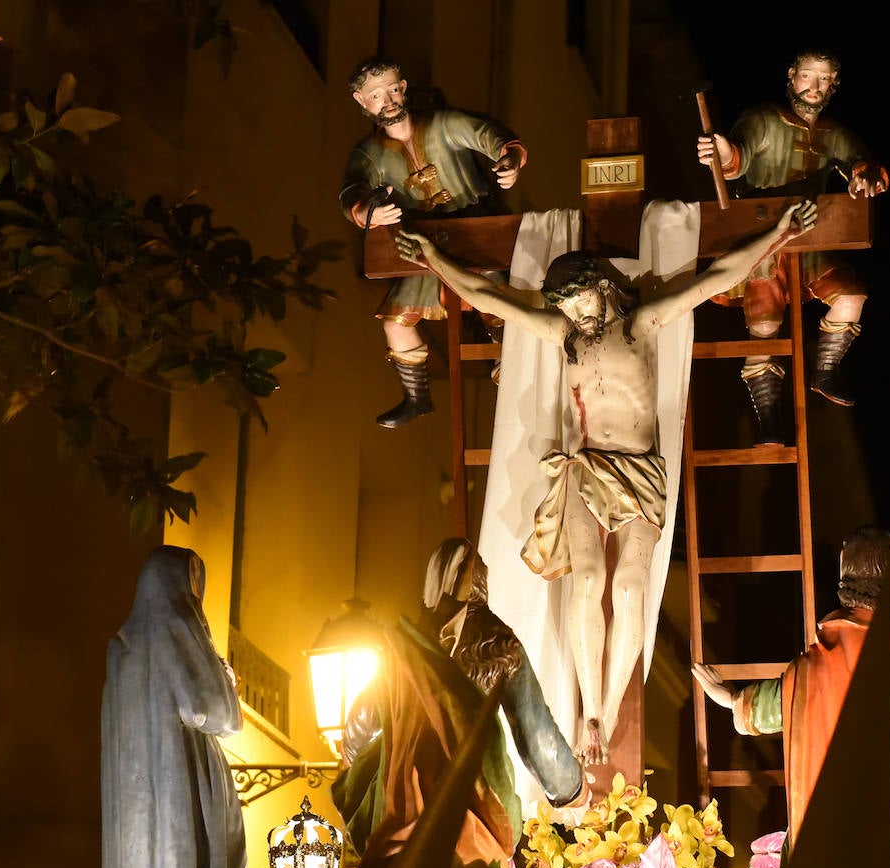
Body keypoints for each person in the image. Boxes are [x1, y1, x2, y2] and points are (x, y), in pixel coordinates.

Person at [394, 199, 819, 765]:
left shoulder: (640, 323)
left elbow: (717, 277)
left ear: (599, 287)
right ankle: (590, 707)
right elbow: (490, 298)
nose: (573, 311)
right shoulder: (564, 334)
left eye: (577, 298)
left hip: (640, 470)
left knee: (629, 588)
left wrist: (780, 233)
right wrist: (434, 263)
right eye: (564, 304)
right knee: (589, 577)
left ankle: (612, 704)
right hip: (587, 466)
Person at [693, 479, 890, 868]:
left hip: (848, 848)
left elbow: (772, 705)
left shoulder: (819, 664)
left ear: (843, 584)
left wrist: (732, 699)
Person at [695, 48, 889, 445]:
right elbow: (738, 158)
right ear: (791, 76)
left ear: (832, 85)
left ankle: (827, 368)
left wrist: (865, 175)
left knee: (851, 295)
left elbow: (861, 164)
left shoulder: (835, 134)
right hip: (763, 246)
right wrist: (722, 151)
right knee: (764, 328)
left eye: (823, 79)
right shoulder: (763, 119)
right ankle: (768, 416)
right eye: (807, 76)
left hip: (809, 241)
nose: (814, 86)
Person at [338, 56, 527, 428]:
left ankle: (514, 373)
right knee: (395, 322)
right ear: (362, 101)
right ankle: (416, 397)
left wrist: (509, 158)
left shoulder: (442, 124)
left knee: (500, 307)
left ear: (403, 89)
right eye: (376, 94)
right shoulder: (369, 154)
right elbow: (352, 192)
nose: (387, 99)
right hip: (424, 247)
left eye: (393, 89)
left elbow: (488, 134)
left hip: (476, 235)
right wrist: (367, 211)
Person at [101, 546, 246, 868]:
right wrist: (225, 679)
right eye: (194, 586)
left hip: (136, 803)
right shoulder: (177, 631)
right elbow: (212, 710)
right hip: (179, 788)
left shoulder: (122, 648)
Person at [328, 597, 522, 868]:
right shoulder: (494, 650)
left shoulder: (393, 670)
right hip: (465, 842)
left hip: (400, 833)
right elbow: (503, 764)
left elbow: (354, 739)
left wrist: (366, 774)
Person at [421, 537, 587, 810]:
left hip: (410, 799)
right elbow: (534, 732)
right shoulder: (497, 641)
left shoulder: (406, 638)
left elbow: (360, 732)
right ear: (480, 582)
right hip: (471, 796)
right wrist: (572, 787)